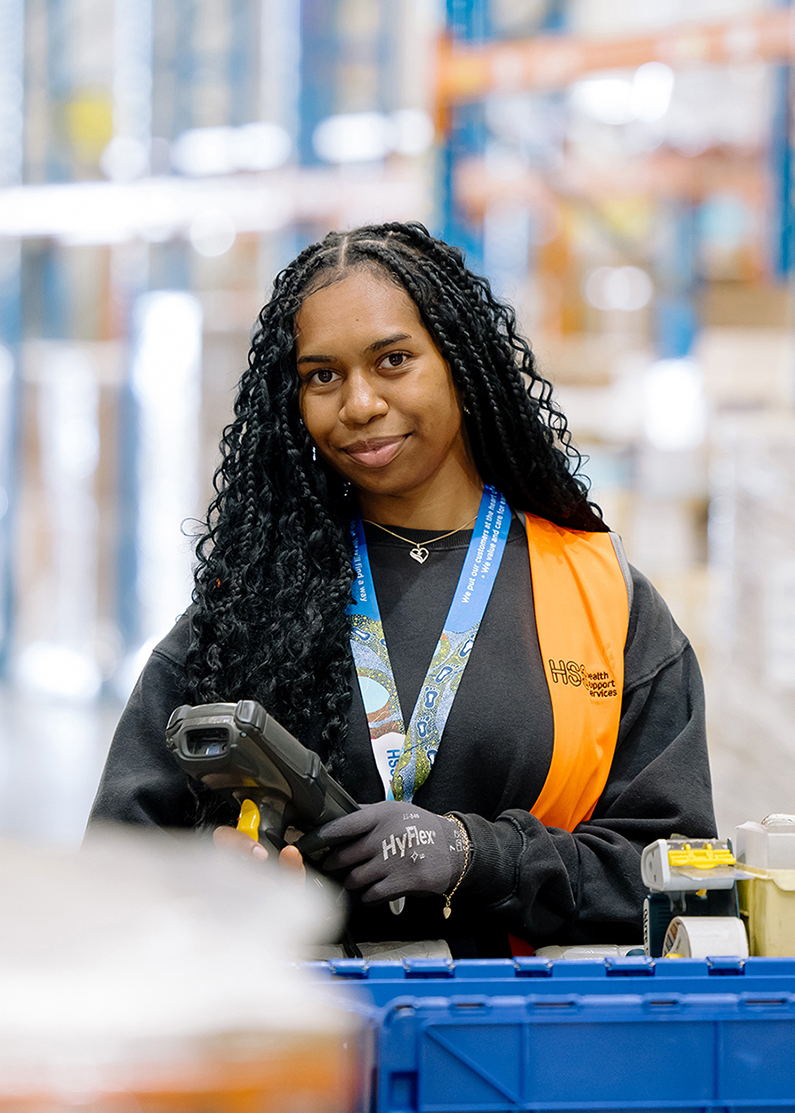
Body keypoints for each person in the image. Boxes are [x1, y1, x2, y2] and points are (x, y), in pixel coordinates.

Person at [89, 221, 715, 956]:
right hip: (312, 1045)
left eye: (393, 361)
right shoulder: (245, 608)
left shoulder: (600, 600)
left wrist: (476, 856)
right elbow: (112, 876)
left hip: (524, 1047)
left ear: (461, 363)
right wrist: (209, 885)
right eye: (322, 375)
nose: (358, 404)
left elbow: (678, 878)